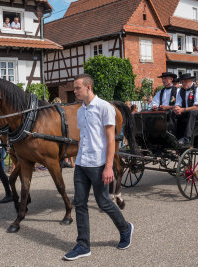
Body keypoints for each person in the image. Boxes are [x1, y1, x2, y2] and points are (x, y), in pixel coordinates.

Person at [63, 74, 133, 261]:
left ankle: (125, 228)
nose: (75, 91)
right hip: (82, 163)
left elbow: (110, 139)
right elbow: (84, 138)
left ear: (89, 87)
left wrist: (109, 167)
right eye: (75, 88)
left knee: (103, 202)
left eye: (77, 88)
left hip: (98, 164)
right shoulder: (80, 111)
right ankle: (83, 245)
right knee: (79, 202)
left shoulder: (104, 108)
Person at [170, 73, 198, 147]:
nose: (183, 83)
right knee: (172, 112)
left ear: (191, 81)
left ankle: (187, 138)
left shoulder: (197, 89)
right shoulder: (181, 91)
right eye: (182, 82)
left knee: (192, 112)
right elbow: (178, 103)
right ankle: (173, 136)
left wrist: (183, 109)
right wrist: (177, 109)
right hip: (186, 111)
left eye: (185, 81)